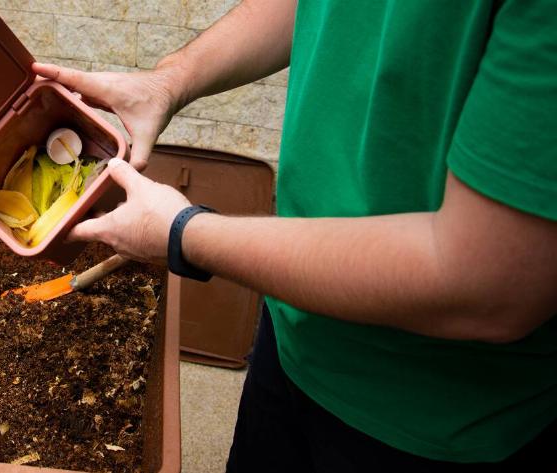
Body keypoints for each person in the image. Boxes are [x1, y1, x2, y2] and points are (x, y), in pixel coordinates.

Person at [32, 0, 557, 471]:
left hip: (431, 419)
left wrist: (184, 233)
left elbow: (485, 286)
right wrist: (167, 80)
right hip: (294, 330)